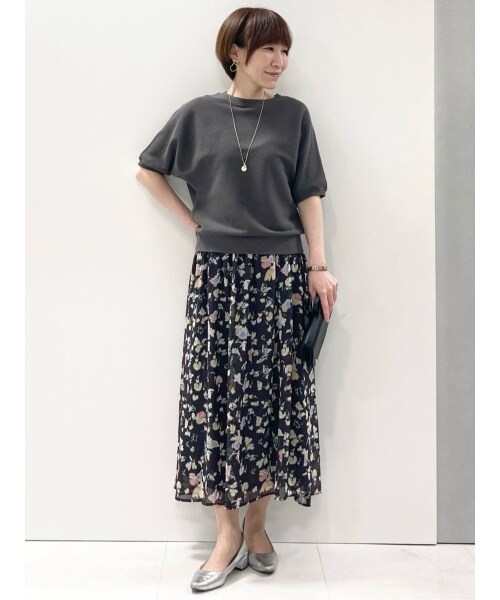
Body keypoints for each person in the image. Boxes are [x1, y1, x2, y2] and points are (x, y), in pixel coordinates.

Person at [136, 6, 338, 592]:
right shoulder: (197, 115)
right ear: (235, 52)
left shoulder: (294, 116)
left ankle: (257, 527)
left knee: (273, 400)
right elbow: (148, 170)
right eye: (268, 49)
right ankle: (225, 535)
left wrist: (318, 266)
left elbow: (309, 193)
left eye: (284, 50)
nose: (279, 61)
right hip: (218, 277)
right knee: (217, 397)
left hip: (280, 275)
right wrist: (195, 224)